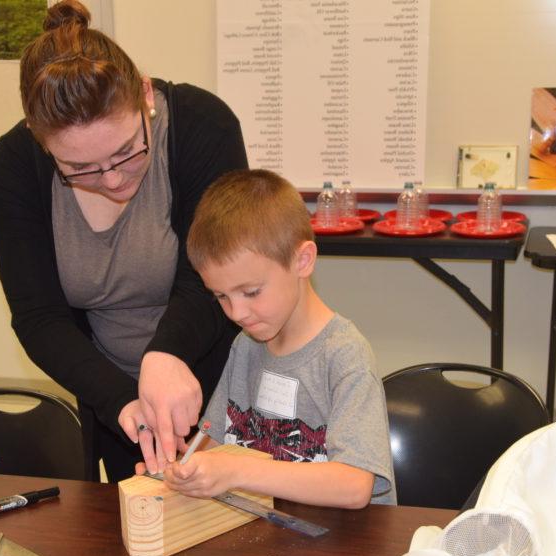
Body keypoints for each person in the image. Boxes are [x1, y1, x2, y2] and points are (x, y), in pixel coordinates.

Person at [0, 0, 246, 482]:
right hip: (113, 396)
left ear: (145, 94)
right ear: (40, 140)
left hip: (221, 376)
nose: (112, 180)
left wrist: (164, 356)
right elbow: (38, 317)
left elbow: (214, 276)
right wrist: (121, 401)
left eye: (127, 151)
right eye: (80, 169)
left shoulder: (202, 126)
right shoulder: (14, 167)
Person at [127, 170, 395, 508]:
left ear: (303, 260)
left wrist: (239, 470)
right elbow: (214, 444)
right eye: (221, 297)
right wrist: (181, 471)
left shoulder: (344, 355)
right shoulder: (246, 345)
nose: (237, 312)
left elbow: (355, 486)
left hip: (344, 550)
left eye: (251, 292)